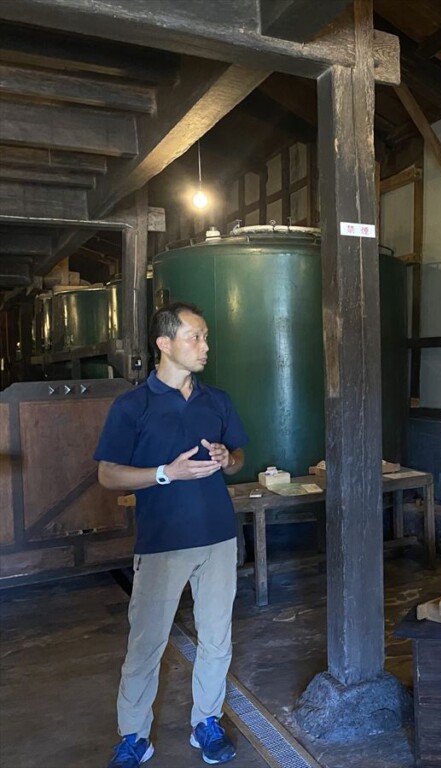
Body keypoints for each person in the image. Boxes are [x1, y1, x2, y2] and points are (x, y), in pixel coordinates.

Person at [95, 302, 248, 768]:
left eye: (204, 337)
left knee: (217, 638)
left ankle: (207, 722)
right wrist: (166, 473)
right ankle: (134, 737)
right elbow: (107, 475)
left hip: (219, 537)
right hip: (162, 543)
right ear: (164, 343)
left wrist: (227, 458)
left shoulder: (217, 400)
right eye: (195, 337)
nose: (205, 346)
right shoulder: (132, 406)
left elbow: (240, 458)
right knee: (146, 645)